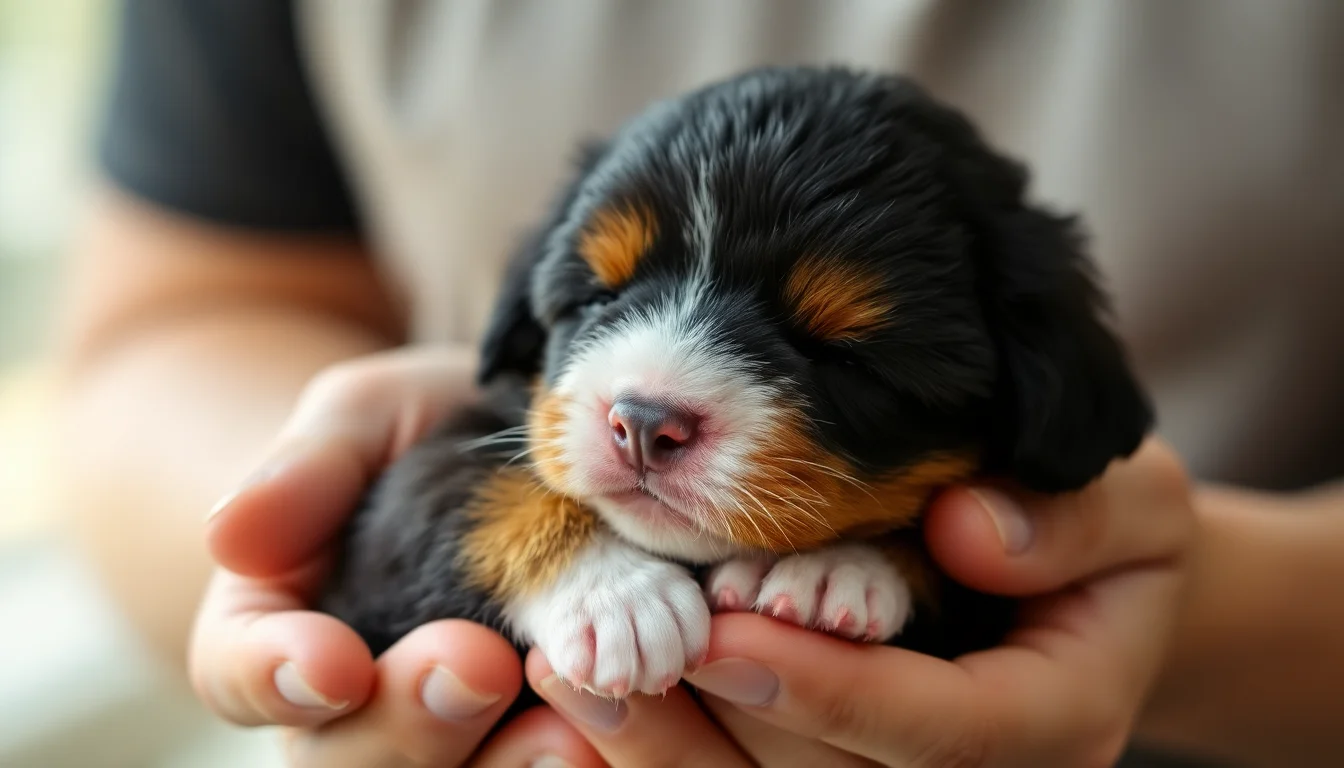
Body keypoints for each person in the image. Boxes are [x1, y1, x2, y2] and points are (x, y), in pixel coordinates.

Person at [51, 1, 1344, 766]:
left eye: (837, 348)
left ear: (1035, 391)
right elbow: (182, 316)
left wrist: (961, 583)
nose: (648, 390)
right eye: (601, 297)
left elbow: (1019, 517)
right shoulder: (529, 437)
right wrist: (527, 569)